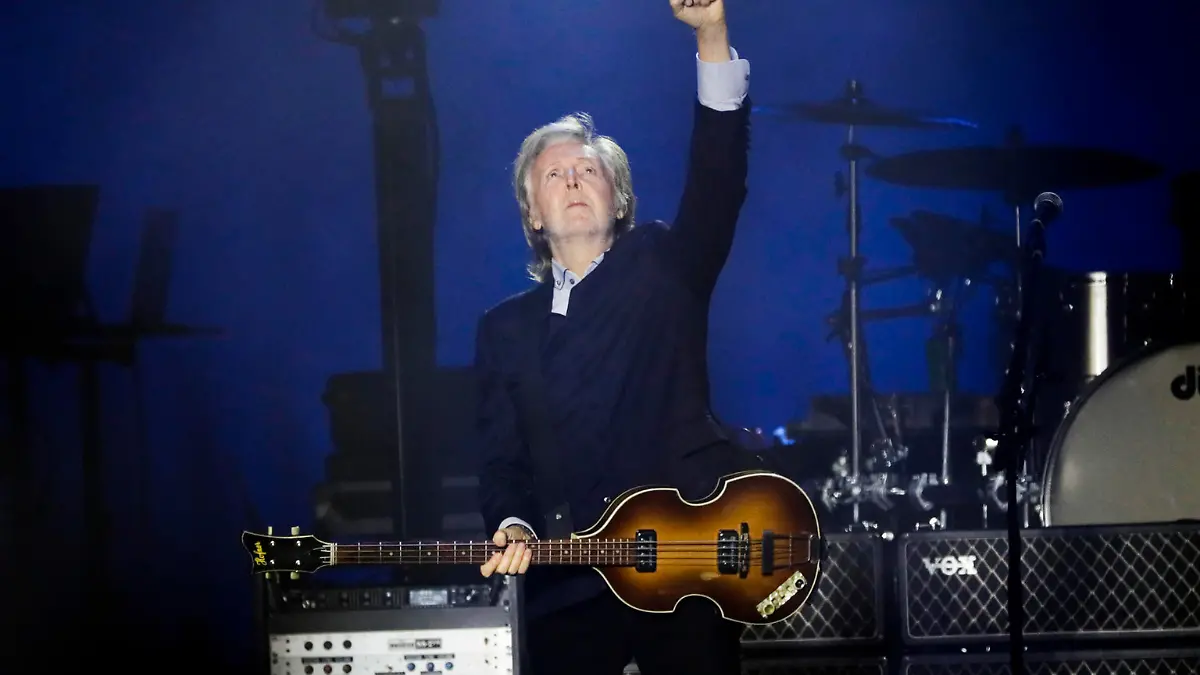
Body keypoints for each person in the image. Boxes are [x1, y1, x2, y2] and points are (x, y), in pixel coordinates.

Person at [473, 1, 754, 672]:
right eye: (554, 174)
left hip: (686, 571)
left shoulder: (662, 266)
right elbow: (502, 461)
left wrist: (712, 35)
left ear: (619, 200)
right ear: (532, 214)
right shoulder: (504, 329)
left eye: (588, 170)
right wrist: (513, 523)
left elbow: (717, 182)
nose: (572, 179)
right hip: (571, 583)